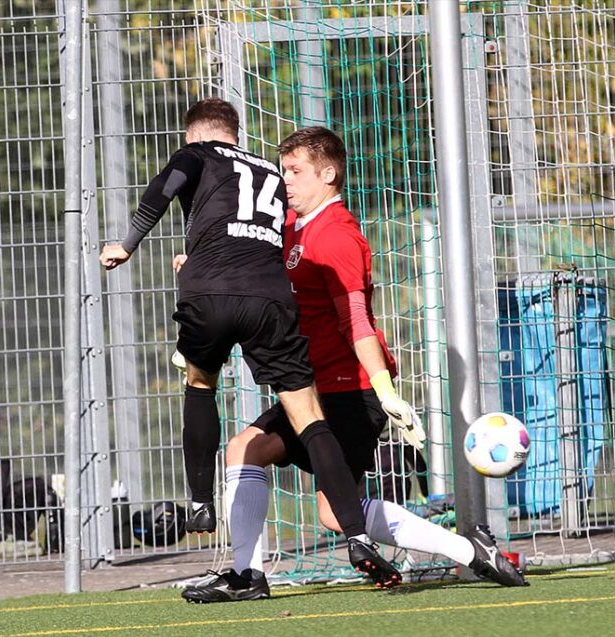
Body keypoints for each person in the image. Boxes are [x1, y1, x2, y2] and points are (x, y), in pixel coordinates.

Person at [180, 127, 527, 603]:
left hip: (348, 388)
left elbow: (357, 321)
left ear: (328, 174)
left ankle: (468, 551)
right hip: (311, 387)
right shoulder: (290, 229)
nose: (285, 181)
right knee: (251, 453)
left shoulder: (338, 235)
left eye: (295, 171)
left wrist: (384, 390)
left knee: (323, 505)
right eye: (282, 171)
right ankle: (246, 575)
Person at [99, 99, 401, 587]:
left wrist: (127, 243)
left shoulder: (196, 154)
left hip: (211, 295)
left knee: (200, 384)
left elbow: (165, 187)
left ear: (195, 135)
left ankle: (200, 503)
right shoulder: (268, 172)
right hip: (270, 301)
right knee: (306, 418)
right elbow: (263, 238)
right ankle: (356, 535)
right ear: (237, 133)